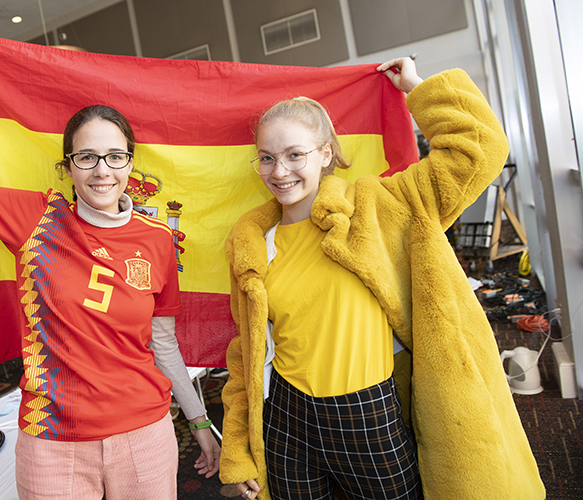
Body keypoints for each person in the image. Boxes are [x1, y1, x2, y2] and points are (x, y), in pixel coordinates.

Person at [0, 17, 220, 500]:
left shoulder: (156, 239)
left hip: (145, 434)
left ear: (130, 163)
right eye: (86, 157)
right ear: (67, 167)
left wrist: (200, 422)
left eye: (115, 156)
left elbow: (163, 343)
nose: (102, 170)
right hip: (52, 440)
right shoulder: (36, 218)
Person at [220, 58, 544, 499]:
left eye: (295, 155)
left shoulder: (379, 208)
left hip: (370, 415)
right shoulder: (253, 242)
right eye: (267, 158)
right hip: (286, 418)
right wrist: (238, 449)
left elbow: (478, 148)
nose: (280, 172)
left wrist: (415, 86)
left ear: (325, 154)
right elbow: (246, 352)